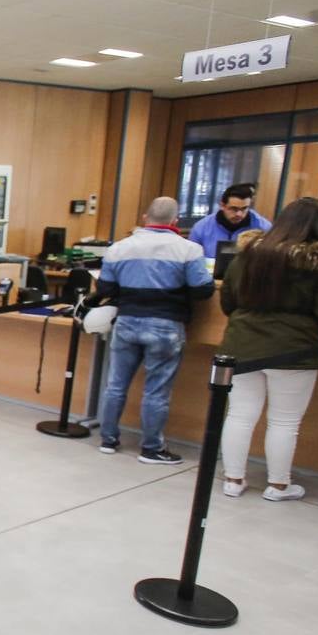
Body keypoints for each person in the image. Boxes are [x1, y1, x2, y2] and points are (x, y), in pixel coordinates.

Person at [219, 199, 318, 501]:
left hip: (241, 345)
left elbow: (228, 301)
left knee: (240, 415)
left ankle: (233, 479)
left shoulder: (249, 254)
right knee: (284, 421)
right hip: (294, 349)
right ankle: (278, 486)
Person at [96, 196, 215, 463]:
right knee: (156, 390)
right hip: (166, 325)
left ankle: (108, 439)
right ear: (175, 222)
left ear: (144, 218)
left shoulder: (119, 248)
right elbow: (202, 290)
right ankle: (151, 448)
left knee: (115, 385)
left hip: (126, 322)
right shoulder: (189, 249)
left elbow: (104, 289)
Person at [188, 183, 273, 259]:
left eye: (244, 209)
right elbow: (191, 260)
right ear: (222, 205)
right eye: (234, 209)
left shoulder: (264, 228)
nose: (239, 214)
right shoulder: (201, 228)